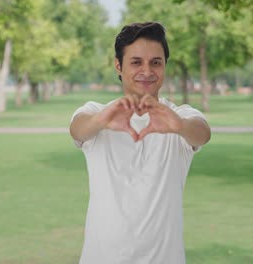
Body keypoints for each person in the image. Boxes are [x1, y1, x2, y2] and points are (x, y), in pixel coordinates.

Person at [69, 22, 211, 264]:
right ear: (118, 65)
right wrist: (104, 119)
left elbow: (202, 133)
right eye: (136, 62)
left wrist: (177, 126)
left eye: (156, 62)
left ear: (165, 66)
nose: (147, 71)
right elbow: (78, 129)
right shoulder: (96, 113)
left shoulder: (180, 116)